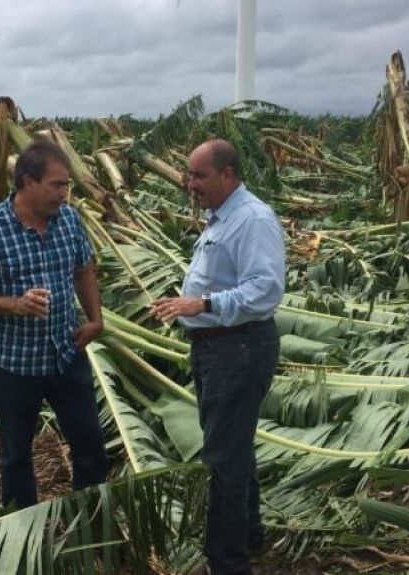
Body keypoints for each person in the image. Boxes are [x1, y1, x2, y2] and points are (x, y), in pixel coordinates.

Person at [151, 139, 285, 575]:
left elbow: (265, 289)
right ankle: (247, 536)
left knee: (222, 458)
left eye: (199, 175)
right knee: (233, 448)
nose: (190, 184)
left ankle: (227, 563)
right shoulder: (221, 218)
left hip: (238, 348)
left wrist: (201, 305)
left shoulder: (251, 220)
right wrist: (184, 304)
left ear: (228, 175)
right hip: (220, 348)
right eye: (189, 175)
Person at [0, 140, 109, 508]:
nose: (64, 193)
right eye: (57, 185)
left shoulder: (69, 220)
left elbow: (83, 268)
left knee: (90, 447)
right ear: (26, 183)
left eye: (66, 184)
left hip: (65, 355)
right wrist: (14, 305)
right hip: (14, 367)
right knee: (16, 456)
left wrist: (96, 319)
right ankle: (24, 534)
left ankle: (90, 522)